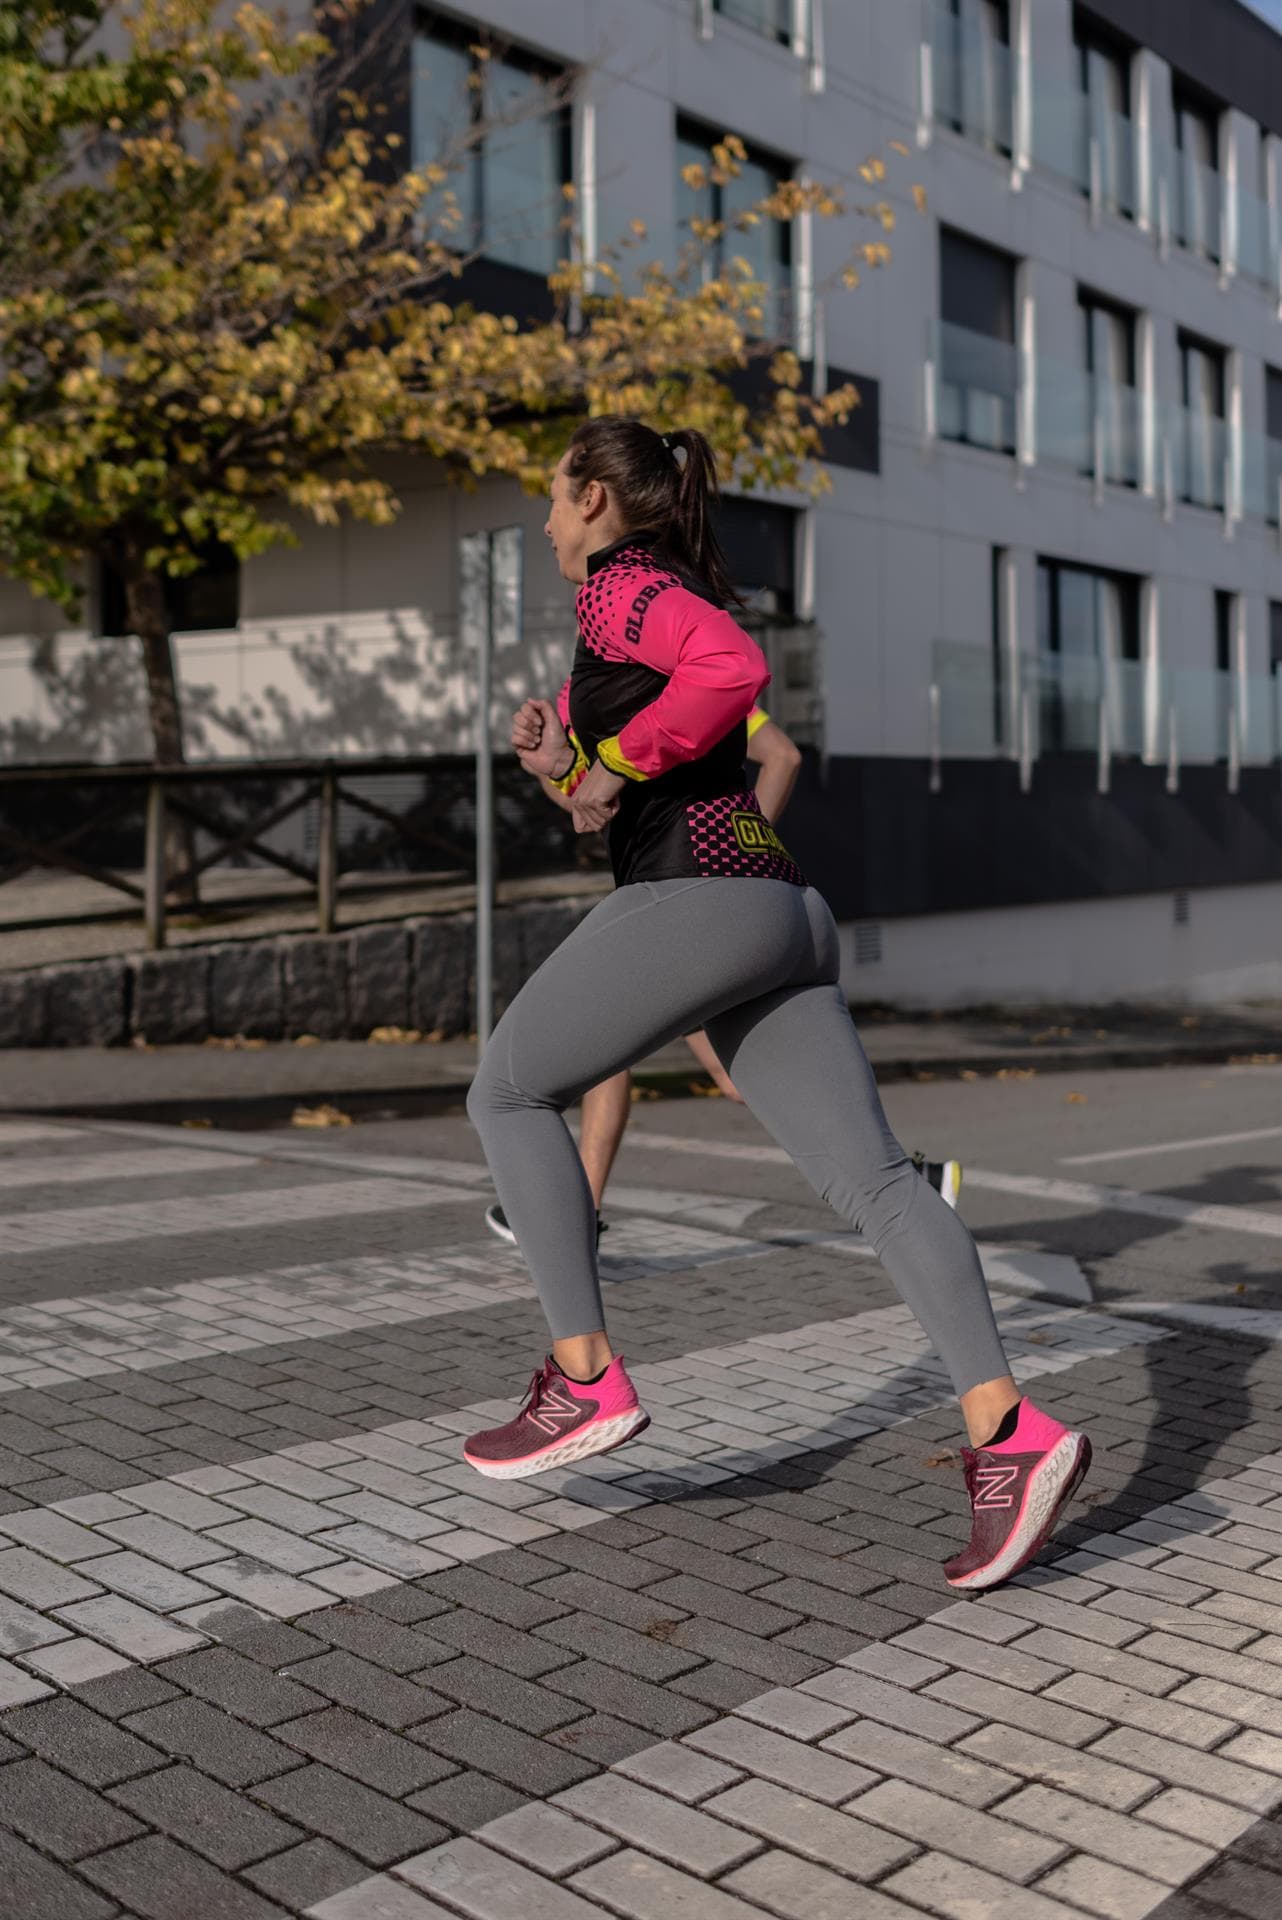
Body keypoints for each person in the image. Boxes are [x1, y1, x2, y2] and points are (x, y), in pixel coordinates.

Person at [464, 419, 1090, 1592]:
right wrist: (557, 760)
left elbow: (734, 677)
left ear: (596, 500)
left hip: (702, 899)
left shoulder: (622, 587)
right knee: (877, 1184)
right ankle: (1013, 1437)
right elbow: (603, 803)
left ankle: (584, 1376)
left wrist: (623, 760)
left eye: (552, 498)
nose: (545, 520)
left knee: (505, 1091)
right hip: (779, 909)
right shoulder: (628, 614)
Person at [485, 709, 963, 1242]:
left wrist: (729, 854)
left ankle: (580, 1217)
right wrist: (549, 771)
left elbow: (783, 755)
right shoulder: (599, 690)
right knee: (736, 1075)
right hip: (678, 904)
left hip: (688, 907)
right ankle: (906, 1178)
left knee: (597, 1052)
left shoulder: (682, 684)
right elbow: (583, 798)